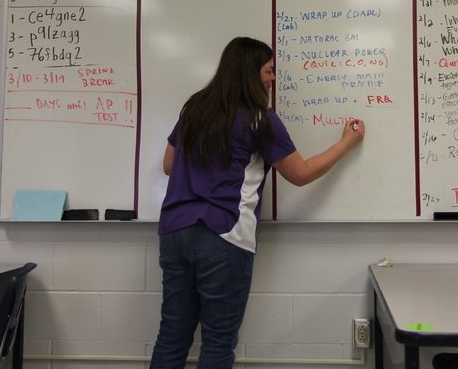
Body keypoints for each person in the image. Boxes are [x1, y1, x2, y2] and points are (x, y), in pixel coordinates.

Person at [149, 36, 365, 369]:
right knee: (218, 342)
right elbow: (300, 173)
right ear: (250, 72)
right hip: (223, 235)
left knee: (172, 335)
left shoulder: (194, 109)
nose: (273, 78)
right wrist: (346, 144)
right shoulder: (259, 119)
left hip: (174, 232)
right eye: (269, 70)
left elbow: (168, 164)